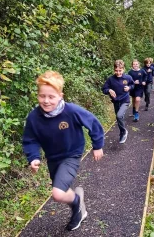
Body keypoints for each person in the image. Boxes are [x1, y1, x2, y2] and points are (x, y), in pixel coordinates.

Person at [22, 70, 104, 231]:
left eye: (51, 97)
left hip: (71, 154)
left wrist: (98, 145)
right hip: (53, 158)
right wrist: (33, 157)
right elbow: (30, 140)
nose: (46, 101)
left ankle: (77, 208)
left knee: (58, 193)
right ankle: (78, 201)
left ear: (61, 95)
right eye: (42, 96)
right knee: (62, 188)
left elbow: (93, 123)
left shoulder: (71, 111)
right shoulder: (34, 117)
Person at [102, 59, 134, 143]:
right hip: (116, 102)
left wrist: (129, 88)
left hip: (125, 100)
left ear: (123, 69)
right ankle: (122, 132)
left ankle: (124, 132)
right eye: (116, 70)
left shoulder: (127, 77)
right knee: (119, 117)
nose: (118, 72)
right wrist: (109, 90)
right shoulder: (111, 79)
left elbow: (133, 84)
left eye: (120, 70)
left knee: (119, 116)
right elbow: (104, 89)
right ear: (114, 70)